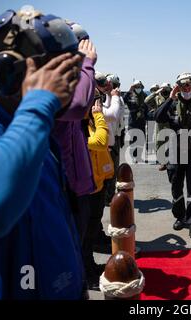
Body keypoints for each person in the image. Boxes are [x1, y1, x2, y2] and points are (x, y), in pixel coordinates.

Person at [0, 7, 85, 299]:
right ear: (10, 74)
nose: (68, 85)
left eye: (70, 72)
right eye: (56, 73)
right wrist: (39, 101)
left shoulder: (42, 140)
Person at [51, 23, 98, 290]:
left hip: (77, 186)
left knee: (75, 250)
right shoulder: (51, 86)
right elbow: (79, 106)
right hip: (62, 188)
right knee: (63, 260)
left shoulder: (73, 82)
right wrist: (86, 64)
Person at [154, 73, 191, 240]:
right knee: (176, 187)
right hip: (175, 153)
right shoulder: (172, 105)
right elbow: (158, 117)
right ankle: (180, 216)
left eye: (189, 85)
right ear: (177, 87)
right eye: (182, 85)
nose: (186, 88)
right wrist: (170, 98)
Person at [83, 100, 114, 289]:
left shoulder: (90, 122)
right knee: (85, 235)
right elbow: (100, 141)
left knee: (91, 231)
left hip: (97, 184)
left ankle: (90, 266)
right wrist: (98, 115)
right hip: (85, 187)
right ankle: (86, 275)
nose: (96, 105)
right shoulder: (80, 123)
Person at [93, 72, 125, 246]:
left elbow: (118, 115)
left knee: (102, 195)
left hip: (108, 148)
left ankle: (96, 235)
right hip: (99, 150)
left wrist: (113, 97)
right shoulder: (93, 99)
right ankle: (95, 237)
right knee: (96, 200)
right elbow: (112, 115)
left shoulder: (102, 97)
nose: (106, 84)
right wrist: (114, 97)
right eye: (102, 82)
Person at [145, 82, 172, 171]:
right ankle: (162, 162)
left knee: (170, 143)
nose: (165, 91)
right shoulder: (157, 98)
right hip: (159, 123)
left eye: (167, 89)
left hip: (170, 123)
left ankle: (169, 161)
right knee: (159, 143)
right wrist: (156, 92)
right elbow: (146, 101)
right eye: (163, 89)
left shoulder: (172, 97)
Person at [124, 80, 148, 161]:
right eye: (136, 86)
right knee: (133, 140)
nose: (138, 88)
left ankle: (139, 156)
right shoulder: (130, 95)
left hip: (141, 121)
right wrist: (129, 90)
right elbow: (124, 100)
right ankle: (133, 156)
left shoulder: (144, 95)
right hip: (133, 122)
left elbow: (147, 107)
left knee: (141, 140)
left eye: (139, 86)